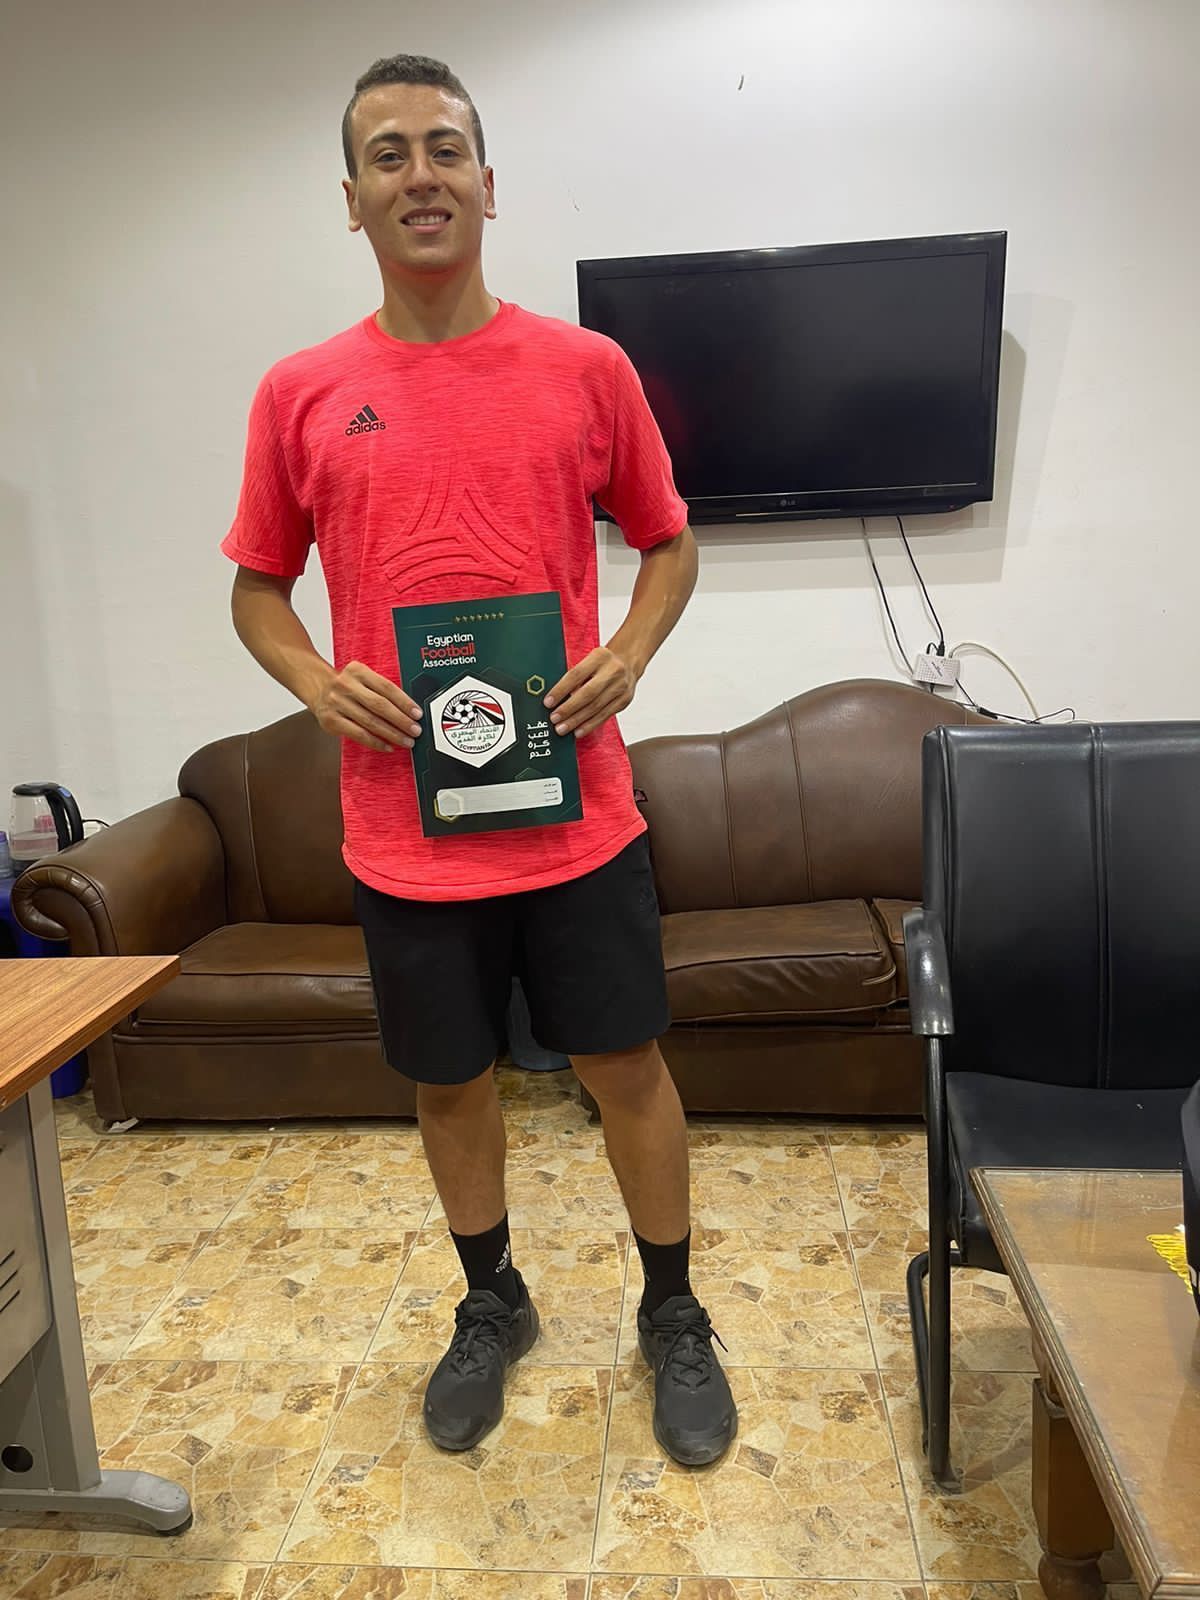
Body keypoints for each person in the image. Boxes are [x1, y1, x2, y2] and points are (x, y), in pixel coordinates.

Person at [222, 52, 736, 1468]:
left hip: (579, 821)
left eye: (443, 148)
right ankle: (491, 1300)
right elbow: (257, 591)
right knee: (449, 1084)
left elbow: (670, 542)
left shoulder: (587, 368)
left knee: (624, 1068)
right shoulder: (302, 392)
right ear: (352, 200)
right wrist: (317, 680)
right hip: (406, 834)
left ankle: (675, 1311)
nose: (420, 175)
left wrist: (630, 653)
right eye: (387, 155)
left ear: (489, 184)